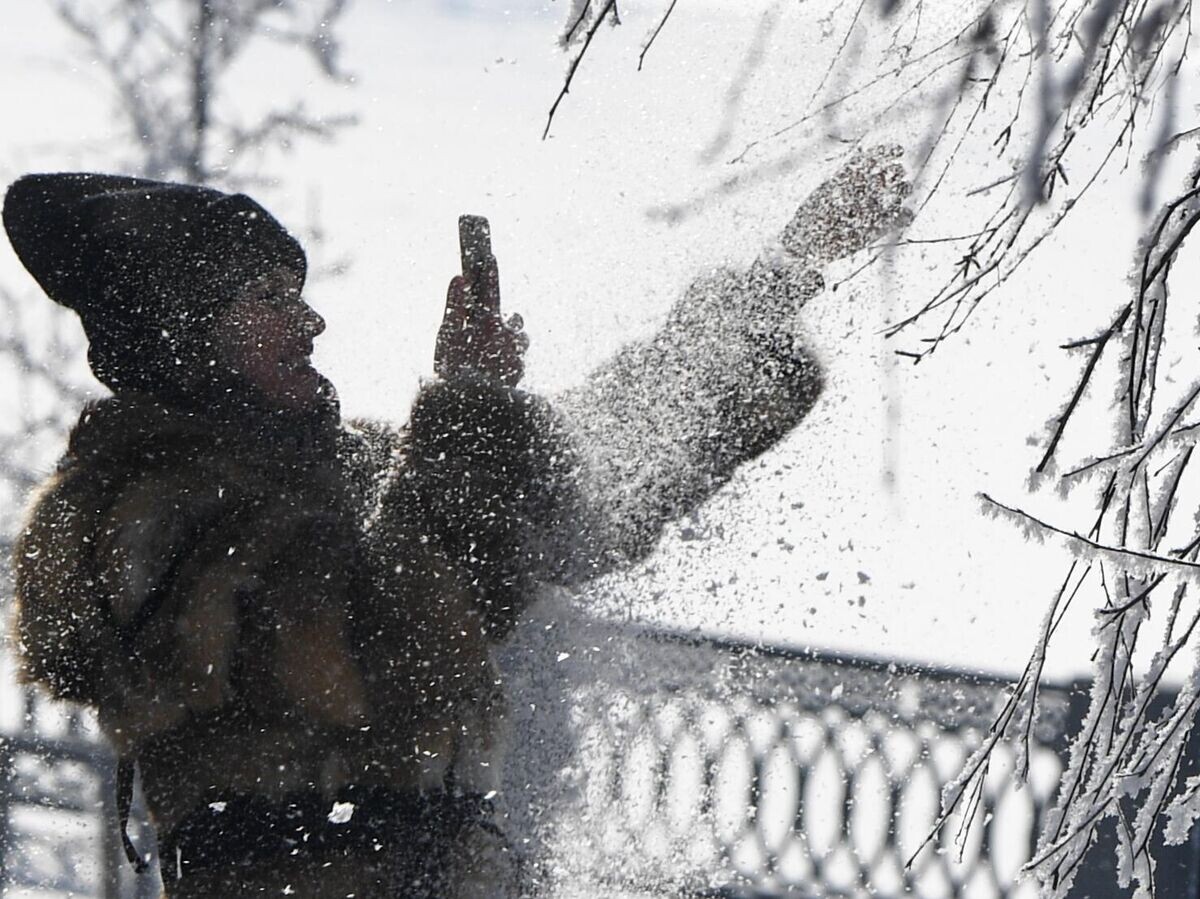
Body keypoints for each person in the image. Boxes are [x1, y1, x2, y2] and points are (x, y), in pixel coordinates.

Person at [2, 149, 908, 897]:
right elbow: (386, 645)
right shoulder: (134, 514)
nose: (311, 318)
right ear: (184, 333)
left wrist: (789, 271)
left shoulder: (344, 484)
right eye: (269, 298)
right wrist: (470, 411)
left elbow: (589, 475)